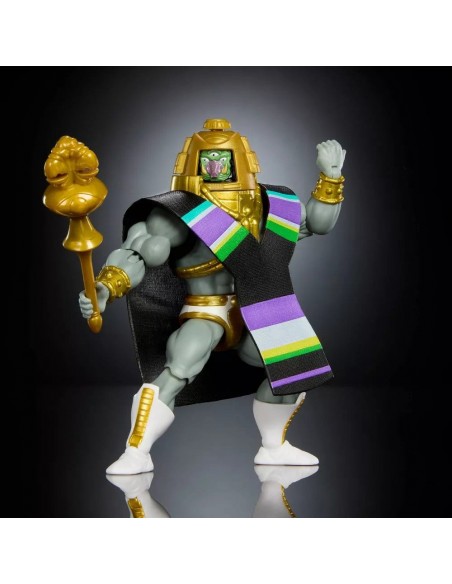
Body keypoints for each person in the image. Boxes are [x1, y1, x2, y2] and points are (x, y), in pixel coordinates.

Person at [79, 119, 346, 475]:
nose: (217, 168)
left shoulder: (272, 204)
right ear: (194, 164)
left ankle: (274, 446)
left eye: (224, 160)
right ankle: (136, 451)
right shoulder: (177, 214)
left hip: (257, 309)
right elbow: (139, 252)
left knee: (293, 368)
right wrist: (105, 287)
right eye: (210, 161)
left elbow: (316, 223)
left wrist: (330, 177)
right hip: (206, 311)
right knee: (178, 369)